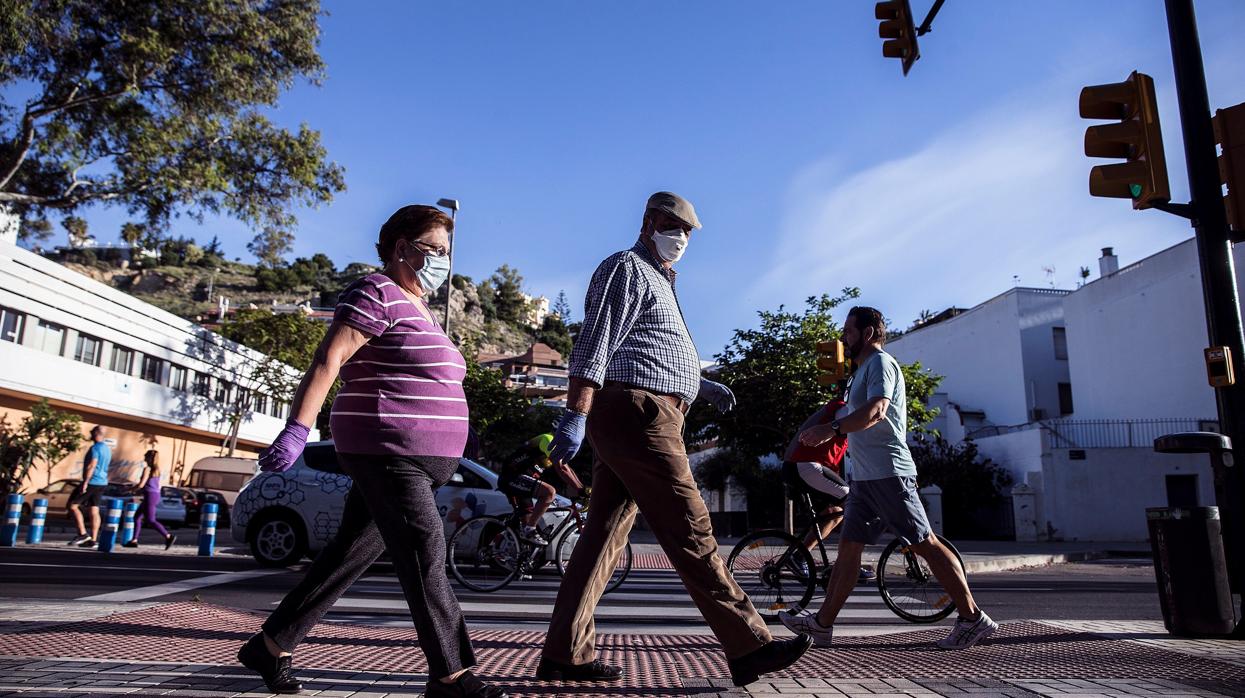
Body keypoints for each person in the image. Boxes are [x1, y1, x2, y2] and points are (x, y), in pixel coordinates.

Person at [537, 192, 811, 688]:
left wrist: (697, 383)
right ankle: (750, 645)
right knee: (691, 525)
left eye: (687, 231)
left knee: (603, 537)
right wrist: (575, 413)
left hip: (645, 411)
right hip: (638, 414)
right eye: (673, 226)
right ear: (648, 222)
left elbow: (647, 347)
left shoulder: (661, 279)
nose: (681, 237)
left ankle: (565, 653)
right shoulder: (627, 267)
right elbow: (596, 341)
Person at [234, 205, 506, 698]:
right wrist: (297, 429)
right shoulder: (374, 291)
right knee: (425, 550)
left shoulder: (419, 306)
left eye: (446, 252)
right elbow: (330, 358)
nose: (443, 261)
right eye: (434, 249)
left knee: (349, 554)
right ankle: (451, 676)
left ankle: (270, 646)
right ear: (402, 248)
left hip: (415, 456)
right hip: (386, 447)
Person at [778, 306, 997, 650]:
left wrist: (831, 429)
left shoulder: (881, 364)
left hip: (888, 473)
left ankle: (972, 618)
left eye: (849, 331)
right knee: (848, 550)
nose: (843, 337)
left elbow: (878, 410)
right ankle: (822, 625)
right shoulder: (860, 372)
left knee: (924, 543)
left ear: (867, 333)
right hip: (865, 479)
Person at [781, 399, 875, 583]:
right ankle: (848, 565)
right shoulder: (845, 410)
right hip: (805, 465)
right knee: (855, 506)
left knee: (834, 512)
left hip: (803, 466)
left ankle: (798, 556)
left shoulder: (845, 411)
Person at [497, 433, 583, 545]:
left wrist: (581, 487)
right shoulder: (548, 440)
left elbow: (568, 469)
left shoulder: (559, 446)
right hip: (512, 477)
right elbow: (561, 468)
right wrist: (580, 489)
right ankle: (529, 529)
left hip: (524, 482)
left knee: (527, 529)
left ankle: (521, 549)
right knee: (549, 492)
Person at [124, 450, 176, 550]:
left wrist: (130, 489)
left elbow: (141, 484)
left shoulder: (147, 469)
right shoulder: (157, 470)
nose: (144, 458)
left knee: (150, 520)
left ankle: (168, 536)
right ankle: (134, 540)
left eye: (145, 456)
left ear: (149, 458)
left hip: (150, 495)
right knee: (137, 517)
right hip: (155, 494)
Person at [67, 426, 110, 548]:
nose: (90, 434)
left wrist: (85, 482)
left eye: (92, 432)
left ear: (96, 433)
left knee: (72, 505)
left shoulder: (95, 448)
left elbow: (92, 465)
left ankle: (82, 534)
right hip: (102, 482)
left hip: (92, 481)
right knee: (94, 509)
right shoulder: (107, 449)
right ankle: (93, 540)